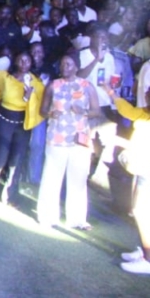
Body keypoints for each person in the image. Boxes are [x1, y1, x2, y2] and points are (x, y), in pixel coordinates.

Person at [36, 52, 100, 228]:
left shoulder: (87, 86)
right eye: (63, 64)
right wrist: (50, 113)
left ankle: (77, 219)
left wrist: (83, 111)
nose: (64, 67)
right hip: (57, 137)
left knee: (78, 179)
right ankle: (47, 217)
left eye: (69, 64)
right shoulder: (53, 85)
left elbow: (96, 111)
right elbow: (42, 110)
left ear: (77, 67)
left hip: (79, 139)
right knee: (51, 178)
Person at [0, 50, 45, 207]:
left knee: (16, 160)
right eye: (21, 60)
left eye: (27, 61)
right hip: (4, 121)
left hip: (22, 125)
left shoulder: (35, 83)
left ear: (31, 63)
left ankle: (9, 196)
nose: (24, 64)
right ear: (15, 62)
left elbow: (42, 101)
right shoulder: (4, 77)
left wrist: (30, 95)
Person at [104, 81, 150, 274]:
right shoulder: (144, 113)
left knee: (142, 212)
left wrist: (119, 142)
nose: (146, 94)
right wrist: (110, 92)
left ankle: (148, 260)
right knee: (137, 210)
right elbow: (127, 110)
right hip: (140, 168)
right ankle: (143, 251)